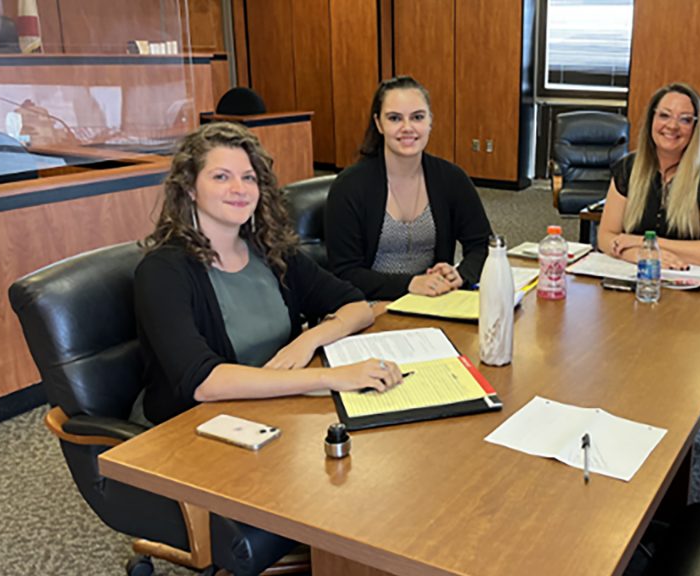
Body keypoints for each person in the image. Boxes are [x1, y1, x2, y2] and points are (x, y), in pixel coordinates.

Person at [136, 122, 403, 425]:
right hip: (189, 428)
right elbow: (203, 382)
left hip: (271, 409)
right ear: (190, 188)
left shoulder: (270, 251)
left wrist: (308, 341)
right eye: (221, 177)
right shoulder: (163, 272)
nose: (239, 189)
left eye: (248, 177)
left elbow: (357, 306)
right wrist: (330, 378)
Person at [325, 76, 493, 301]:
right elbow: (345, 272)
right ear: (378, 124)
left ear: (430, 121)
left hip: (433, 300)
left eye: (417, 117)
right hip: (370, 305)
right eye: (395, 118)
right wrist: (411, 284)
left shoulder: (451, 178)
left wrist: (461, 275)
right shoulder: (349, 187)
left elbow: (484, 245)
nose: (407, 128)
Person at [597, 82, 700, 269]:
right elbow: (606, 236)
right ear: (651, 120)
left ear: (696, 127)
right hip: (636, 276)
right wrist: (639, 254)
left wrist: (646, 244)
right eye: (664, 115)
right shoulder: (627, 168)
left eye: (685, 120)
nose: (672, 126)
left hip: (692, 284)